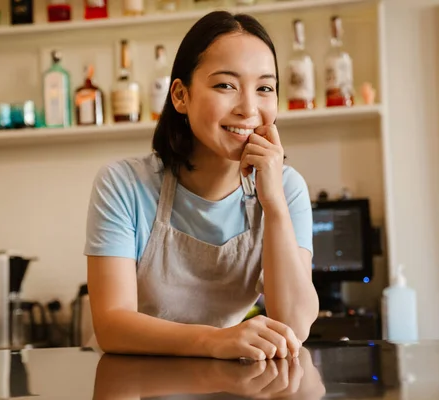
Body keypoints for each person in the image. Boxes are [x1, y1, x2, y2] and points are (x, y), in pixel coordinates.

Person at [84, 10, 319, 361]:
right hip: (135, 381)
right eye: (226, 85)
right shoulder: (123, 185)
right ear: (180, 95)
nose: (248, 107)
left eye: (265, 88)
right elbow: (111, 325)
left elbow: (295, 325)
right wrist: (215, 341)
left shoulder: (287, 188)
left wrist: (274, 204)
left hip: (228, 381)